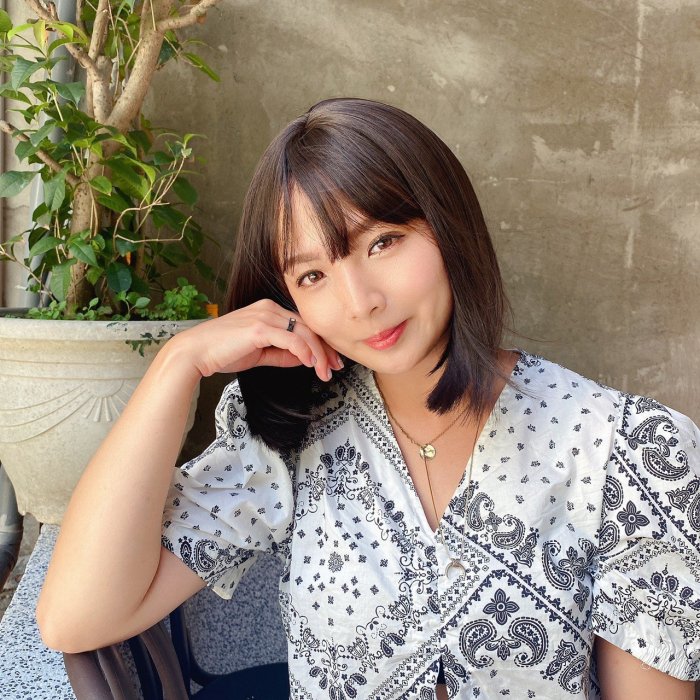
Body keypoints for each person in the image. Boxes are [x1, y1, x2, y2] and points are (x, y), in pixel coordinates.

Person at [37, 98, 699, 699]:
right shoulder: (289, 438)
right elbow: (75, 617)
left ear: (448, 224)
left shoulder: (628, 452)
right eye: (312, 275)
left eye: (382, 242)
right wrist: (176, 365)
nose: (360, 302)